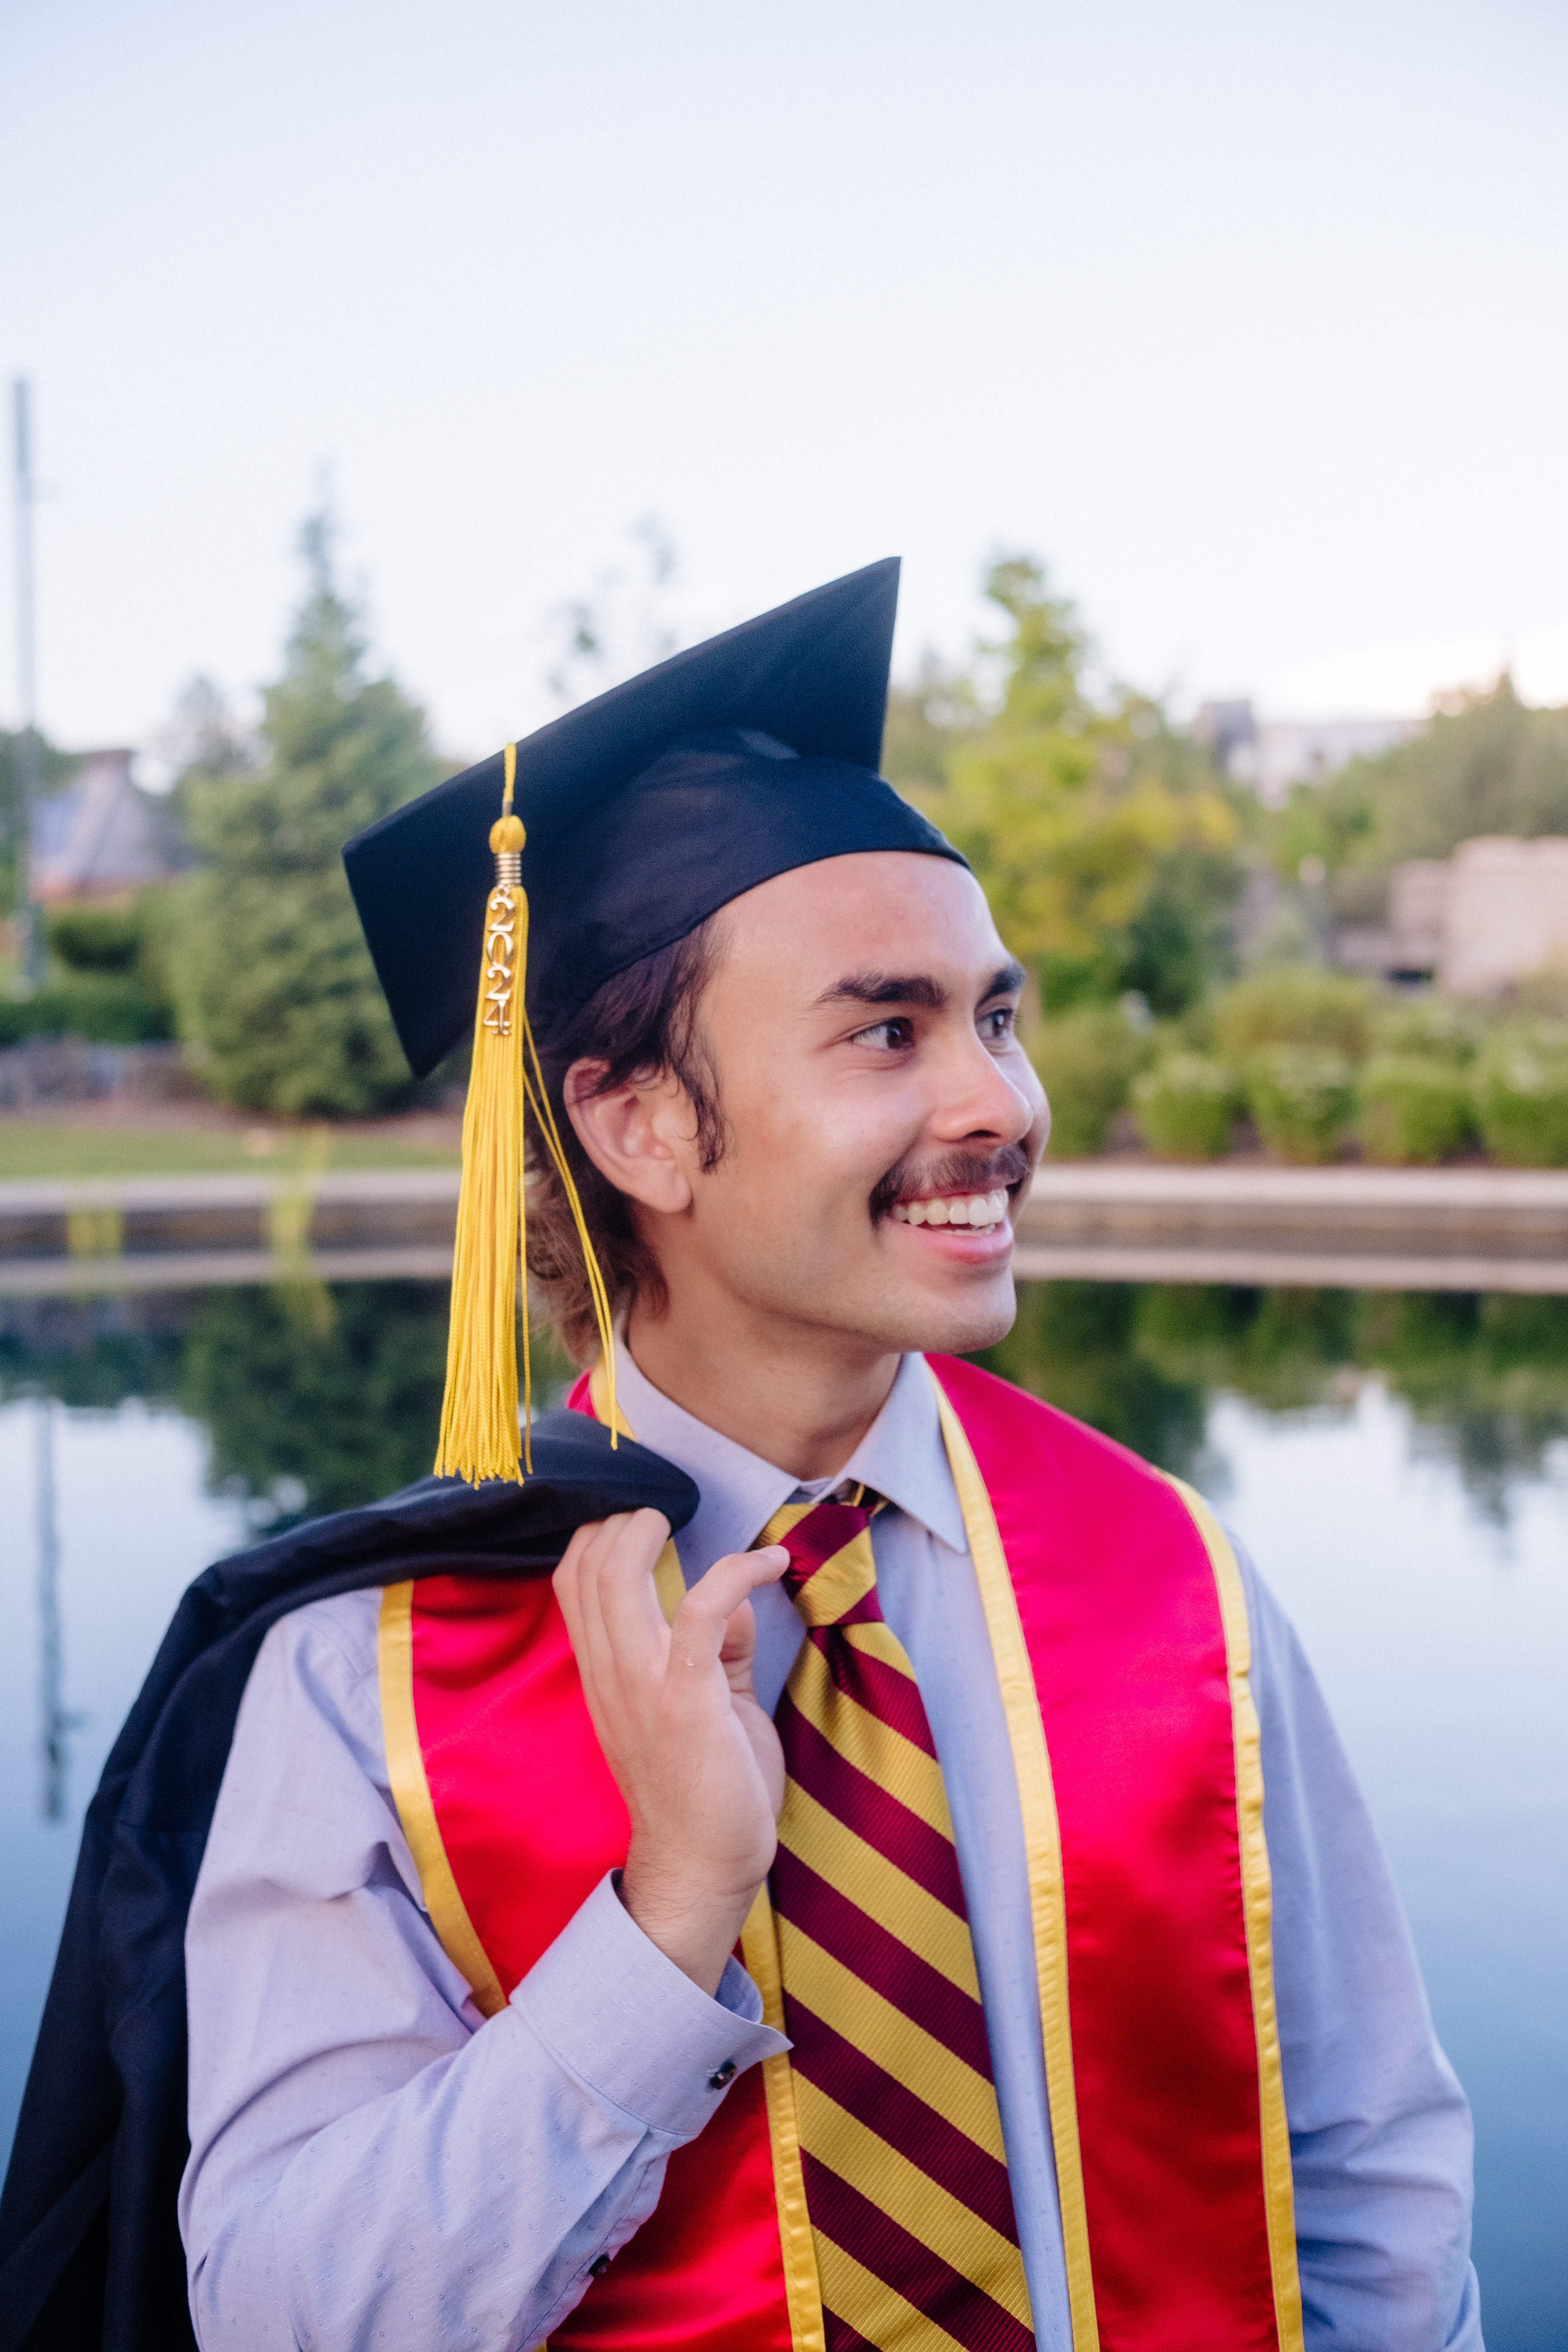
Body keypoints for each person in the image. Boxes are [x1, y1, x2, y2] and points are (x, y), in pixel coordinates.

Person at [11, 565, 1482, 2352]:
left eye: (995, 1018)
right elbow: (283, 2313)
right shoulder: (367, 1675)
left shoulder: (1164, 1576)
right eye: (890, 1029)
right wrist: (666, 1921)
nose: (1001, 1105)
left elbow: (1366, 2178)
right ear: (641, 1124)